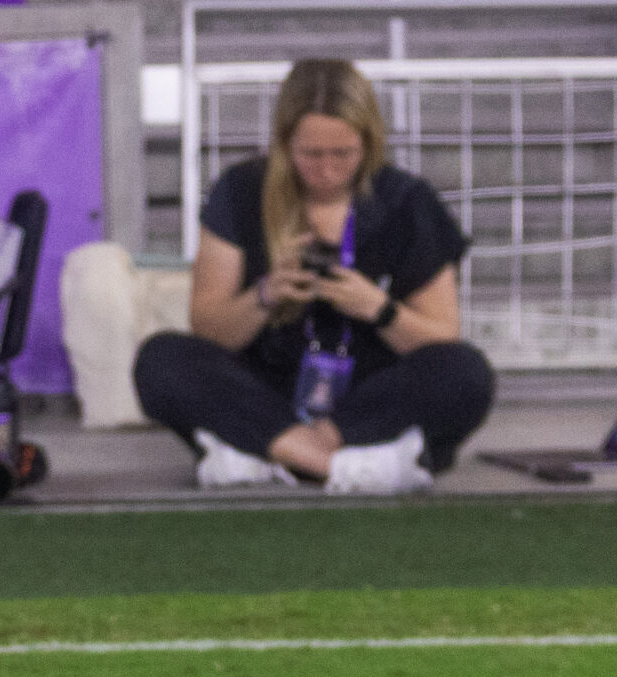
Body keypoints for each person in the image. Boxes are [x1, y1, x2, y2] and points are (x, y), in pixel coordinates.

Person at [134, 58, 495, 496]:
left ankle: (274, 452)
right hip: (267, 387)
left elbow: (441, 339)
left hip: (366, 393)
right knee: (160, 358)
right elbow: (210, 330)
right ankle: (339, 463)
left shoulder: (407, 202)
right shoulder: (240, 190)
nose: (327, 170)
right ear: (285, 145)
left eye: (343, 154)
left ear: (370, 143)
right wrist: (265, 295)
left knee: (468, 373)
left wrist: (377, 309)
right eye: (311, 155)